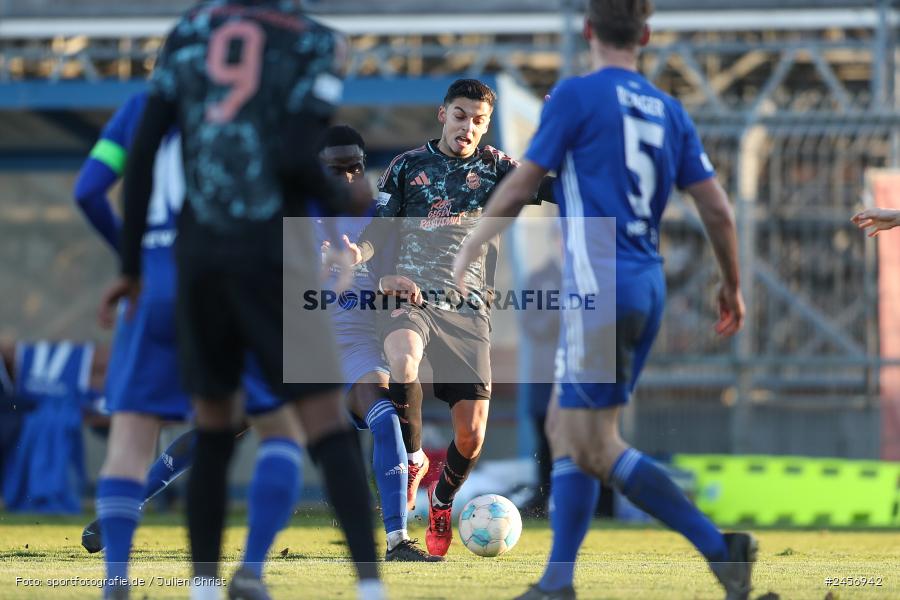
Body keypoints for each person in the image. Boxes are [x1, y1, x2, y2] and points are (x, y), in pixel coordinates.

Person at [453, 1, 756, 598]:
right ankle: (557, 582)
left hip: (597, 286)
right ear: (644, 35)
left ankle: (720, 549)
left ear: (588, 30)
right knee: (571, 430)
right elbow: (718, 209)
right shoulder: (669, 110)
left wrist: (470, 248)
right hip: (646, 285)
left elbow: (519, 183)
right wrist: (732, 285)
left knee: (596, 443)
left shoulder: (575, 96)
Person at [99, 2, 380, 599]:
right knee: (323, 422)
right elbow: (289, 156)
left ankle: (202, 588)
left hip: (196, 256)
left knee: (213, 424)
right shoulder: (317, 40)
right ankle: (369, 588)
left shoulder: (190, 29)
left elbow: (145, 151)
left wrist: (127, 265)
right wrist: (346, 203)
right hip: (268, 254)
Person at [75, 91, 318, 600]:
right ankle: (250, 570)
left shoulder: (141, 106)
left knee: (129, 440)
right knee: (280, 429)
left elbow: (88, 191)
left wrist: (133, 259)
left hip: (154, 289)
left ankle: (116, 582)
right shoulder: (253, 100)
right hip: (229, 284)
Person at [346, 78, 554, 557]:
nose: (468, 127)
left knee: (472, 433)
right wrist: (359, 251)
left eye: (478, 120)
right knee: (402, 358)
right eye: (461, 115)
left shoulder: (498, 167)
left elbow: (555, 188)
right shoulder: (406, 166)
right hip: (411, 294)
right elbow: (378, 229)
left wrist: (562, 134)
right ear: (443, 114)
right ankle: (414, 455)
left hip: (468, 308)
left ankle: (442, 502)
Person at [316, 124, 442, 562]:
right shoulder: (288, 212)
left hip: (354, 343)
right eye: (336, 170)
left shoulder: (380, 215)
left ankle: (396, 540)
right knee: (223, 425)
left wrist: (394, 282)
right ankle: (125, 507)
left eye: (354, 167)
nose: (348, 177)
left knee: (385, 414)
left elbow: (405, 269)